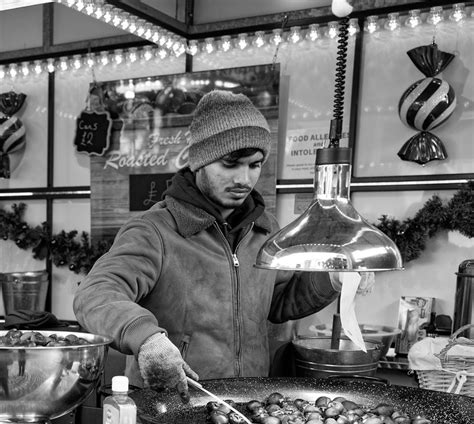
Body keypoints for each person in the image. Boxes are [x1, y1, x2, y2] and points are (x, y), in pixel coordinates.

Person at [74, 90, 373, 402]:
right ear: (200, 161)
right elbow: (96, 294)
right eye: (231, 164)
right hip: (172, 407)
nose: (244, 178)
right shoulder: (155, 230)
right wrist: (145, 338)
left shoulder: (265, 229)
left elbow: (281, 301)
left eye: (254, 165)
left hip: (249, 404)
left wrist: (331, 279)